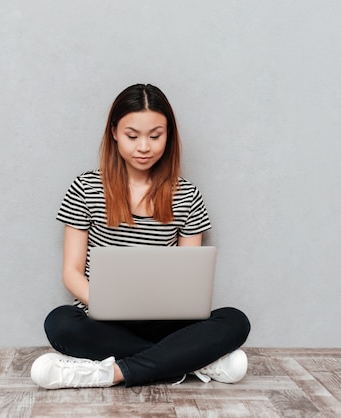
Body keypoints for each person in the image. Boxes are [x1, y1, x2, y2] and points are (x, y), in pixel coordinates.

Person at [31, 84, 251, 389]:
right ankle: (194, 361)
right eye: (133, 136)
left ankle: (113, 373)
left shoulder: (186, 195)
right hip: (102, 319)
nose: (144, 147)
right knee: (60, 323)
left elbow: (190, 281)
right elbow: (72, 273)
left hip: (167, 322)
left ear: (169, 135)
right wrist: (107, 304)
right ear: (114, 133)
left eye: (155, 136)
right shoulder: (85, 189)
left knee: (235, 320)